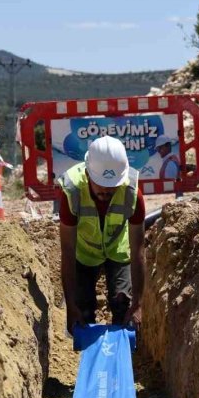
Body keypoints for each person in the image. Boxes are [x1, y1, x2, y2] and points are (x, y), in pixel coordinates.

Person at [57, 136, 145, 333]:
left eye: (112, 185)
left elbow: (139, 248)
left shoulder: (132, 192)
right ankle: (85, 355)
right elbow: (68, 249)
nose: (106, 190)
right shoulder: (72, 191)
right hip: (84, 252)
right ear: (88, 174)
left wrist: (138, 304)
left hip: (117, 249)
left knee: (123, 305)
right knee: (83, 312)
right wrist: (71, 305)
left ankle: (123, 355)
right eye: (101, 184)